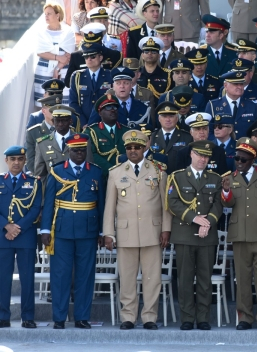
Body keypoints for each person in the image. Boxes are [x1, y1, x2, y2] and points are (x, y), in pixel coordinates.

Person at [103, 130, 170, 330]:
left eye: (137, 147)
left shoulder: (158, 171)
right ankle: (128, 317)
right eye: (130, 148)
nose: (133, 151)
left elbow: (165, 204)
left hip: (153, 232)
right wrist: (109, 233)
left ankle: (149, 316)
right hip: (126, 232)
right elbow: (110, 206)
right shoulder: (116, 172)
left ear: (144, 148)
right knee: (127, 277)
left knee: (152, 278)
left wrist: (166, 229)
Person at [40, 134, 105, 330]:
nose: (79, 153)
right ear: (68, 151)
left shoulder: (95, 172)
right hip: (61, 231)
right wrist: (44, 229)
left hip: (88, 230)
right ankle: (59, 318)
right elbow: (49, 202)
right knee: (60, 275)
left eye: (82, 150)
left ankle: (81, 317)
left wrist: (102, 231)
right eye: (75, 150)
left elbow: (100, 204)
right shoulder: (58, 171)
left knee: (85, 275)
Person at [221, 137, 257, 330]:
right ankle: (245, 317)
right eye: (236, 158)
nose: (239, 162)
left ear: (253, 159)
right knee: (242, 278)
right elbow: (227, 204)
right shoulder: (229, 177)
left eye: (243, 159)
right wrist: (226, 191)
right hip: (240, 234)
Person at [166, 140, 222, 330]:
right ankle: (188, 318)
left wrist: (208, 222)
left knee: (205, 279)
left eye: (206, 156)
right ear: (191, 155)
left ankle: (203, 318)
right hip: (184, 234)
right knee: (185, 279)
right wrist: (195, 219)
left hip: (207, 235)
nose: (203, 159)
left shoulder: (215, 178)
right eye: (199, 155)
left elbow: (218, 204)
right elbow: (172, 202)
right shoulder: (178, 177)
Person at [0, 146, 42, 329]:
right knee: (3, 279)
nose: (16, 162)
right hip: (3, 237)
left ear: (25, 161)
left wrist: (18, 228)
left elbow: (35, 209)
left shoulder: (34, 182)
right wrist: (6, 226)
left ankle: (27, 317)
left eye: (20, 159)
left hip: (25, 236)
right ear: (6, 161)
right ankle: (3, 316)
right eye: (12, 159)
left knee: (27, 279)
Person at [35, 3, 75, 105]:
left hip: (64, 70)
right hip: (44, 70)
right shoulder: (41, 31)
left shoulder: (68, 31)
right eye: (45, 14)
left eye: (49, 13)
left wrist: (58, 68)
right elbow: (40, 51)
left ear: (57, 15)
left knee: (63, 101)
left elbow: (69, 53)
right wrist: (58, 57)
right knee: (45, 102)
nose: (46, 16)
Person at [83, 94, 128, 179]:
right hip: (101, 177)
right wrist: (112, 170)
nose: (112, 110)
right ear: (100, 113)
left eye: (115, 107)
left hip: (124, 176)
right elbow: (92, 155)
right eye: (108, 108)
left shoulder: (126, 131)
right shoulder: (91, 132)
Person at [204, 70, 257, 139]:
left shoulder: (252, 106)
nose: (239, 87)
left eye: (241, 84)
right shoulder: (213, 105)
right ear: (225, 86)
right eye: (236, 84)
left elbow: (256, 131)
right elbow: (208, 131)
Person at [69, 42, 112, 126]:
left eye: (92, 56)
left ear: (100, 57)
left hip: (104, 124)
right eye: (86, 57)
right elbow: (73, 103)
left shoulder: (110, 75)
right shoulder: (77, 76)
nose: (89, 59)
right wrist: (83, 122)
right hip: (83, 125)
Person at [150, 101, 193, 174]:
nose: (168, 119)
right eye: (164, 116)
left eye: (171, 116)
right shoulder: (151, 137)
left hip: (178, 178)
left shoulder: (187, 138)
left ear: (177, 118)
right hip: (157, 178)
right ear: (159, 119)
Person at [25, 94, 61, 173]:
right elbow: (31, 161)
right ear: (44, 111)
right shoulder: (33, 132)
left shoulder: (66, 130)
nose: (55, 112)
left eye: (58, 109)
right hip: (43, 178)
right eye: (52, 109)